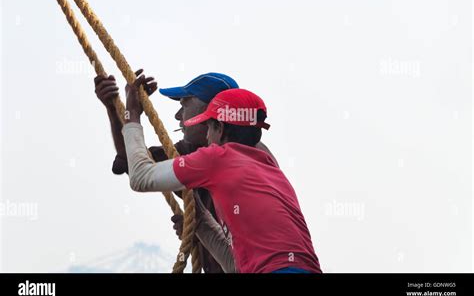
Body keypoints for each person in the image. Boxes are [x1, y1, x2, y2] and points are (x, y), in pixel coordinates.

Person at [121, 77, 322, 273]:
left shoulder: (217, 157)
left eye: (209, 126)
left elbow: (140, 177)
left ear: (221, 128)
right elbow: (237, 266)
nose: (207, 136)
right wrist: (198, 220)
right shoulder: (268, 165)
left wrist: (131, 115)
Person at [95, 71, 275, 272]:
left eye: (184, 104)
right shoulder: (194, 151)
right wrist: (113, 108)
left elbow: (141, 175)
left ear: (212, 112)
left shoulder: (233, 155)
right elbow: (132, 160)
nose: (178, 116)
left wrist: (133, 113)